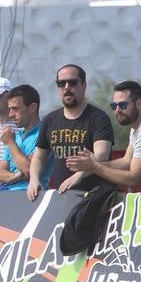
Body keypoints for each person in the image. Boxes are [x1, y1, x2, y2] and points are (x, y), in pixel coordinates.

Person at [26, 64, 114, 201]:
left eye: (72, 82)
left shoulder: (99, 118)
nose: (66, 87)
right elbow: (38, 157)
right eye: (61, 83)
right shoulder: (50, 120)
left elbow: (101, 156)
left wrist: (78, 175)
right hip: (62, 197)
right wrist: (34, 179)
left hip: (94, 196)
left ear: (84, 85)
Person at [65, 80, 141, 191]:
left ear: (139, 104)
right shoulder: (137, 127)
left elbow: (133, 178)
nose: (117, 110)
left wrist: (94, 167)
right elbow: (126, 161)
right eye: (114, 106)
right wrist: (87, 169)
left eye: (123, 105)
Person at [0, 84, 48, 191]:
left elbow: (28, 170)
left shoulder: (44, 134)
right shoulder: (15, 136)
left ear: (32, 108)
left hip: (34, 195)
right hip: (10, 196)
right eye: (10, 109)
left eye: (15, 109)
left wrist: (11, 143)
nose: (11, 114)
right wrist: (17, 176)